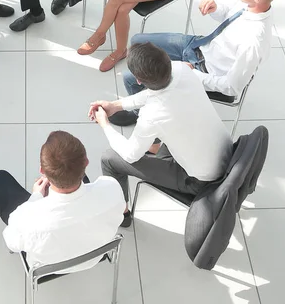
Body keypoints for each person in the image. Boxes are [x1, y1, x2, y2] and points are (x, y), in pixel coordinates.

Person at [110, 0, 283, 126]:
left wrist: (191, 74)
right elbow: (228, 15)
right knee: (138, 42)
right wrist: (215, 8)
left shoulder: (253, 41)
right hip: (199, 46)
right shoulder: (253, 3)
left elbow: (230, 87)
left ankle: (142, 115)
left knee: (130, 79)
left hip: (204, 70)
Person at [90, 42, 232, 228]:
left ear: (138, 80)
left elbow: (130, 154)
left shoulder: (152, 115)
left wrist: (105, 124)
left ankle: (121, 215)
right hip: (226, 154)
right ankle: (155, 149)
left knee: (109, 158)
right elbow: (155, 94)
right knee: (158, 130)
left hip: (201, 181)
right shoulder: (182, 69)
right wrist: (116, 105)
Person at [0, 131, 125, 272]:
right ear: (86, 162)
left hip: (47, 267)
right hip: (94, 257)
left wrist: (36, 197)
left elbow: (11, 242)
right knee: (70, 165)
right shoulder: (112, 189)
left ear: (42, 170)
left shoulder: (26, 219)